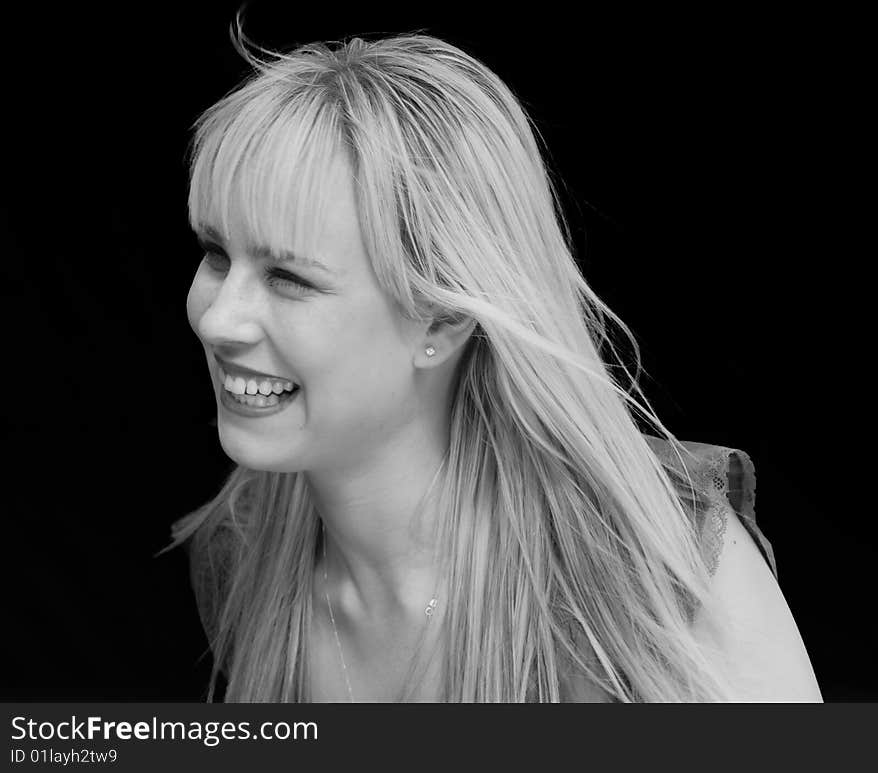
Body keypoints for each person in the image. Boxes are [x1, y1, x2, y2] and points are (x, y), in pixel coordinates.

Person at [165, 20, 822, 702]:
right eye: (217, 253)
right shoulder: (243, 554)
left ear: (443, 321)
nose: (217, 317)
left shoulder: (657, 564)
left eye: (287, 277)